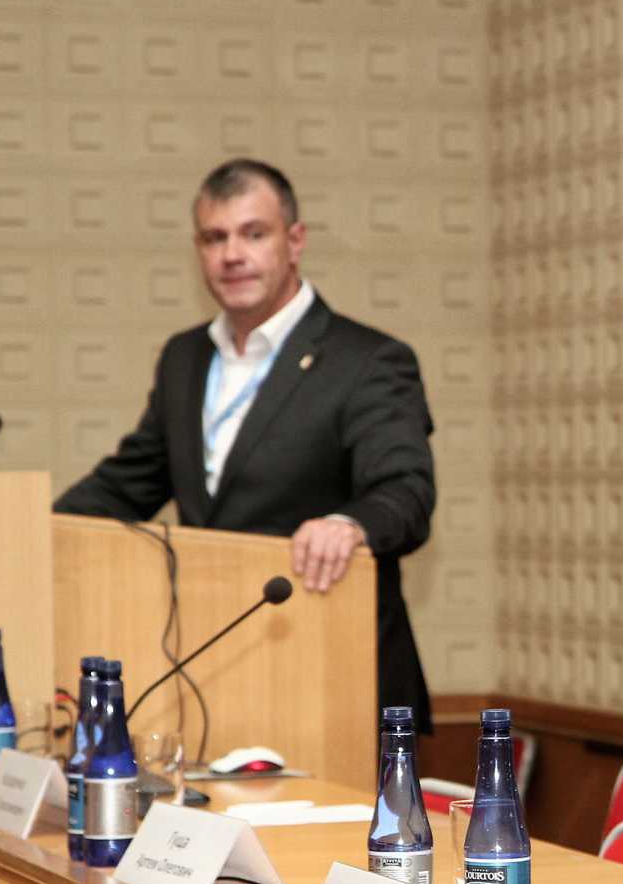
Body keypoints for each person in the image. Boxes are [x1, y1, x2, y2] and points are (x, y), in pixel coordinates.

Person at [54, 159, 436, 723]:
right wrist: (33, 528)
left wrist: (348, 525)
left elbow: (405, 490)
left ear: (295, 241)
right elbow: (126, 484)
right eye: (215, 238)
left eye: (253, 234)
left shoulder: (368, 360)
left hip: (335, 673)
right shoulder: (185, 357)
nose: (232, 254)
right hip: (212, 671)